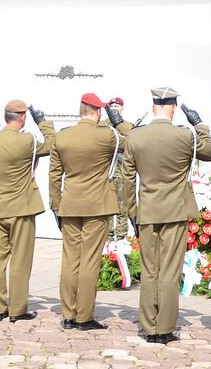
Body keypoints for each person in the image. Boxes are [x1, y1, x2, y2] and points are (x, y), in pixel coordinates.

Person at [122, 87, 211, 344]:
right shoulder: (184, 135)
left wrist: (132, 210)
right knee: (170, 271)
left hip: (148, 210)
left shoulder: (136, 136)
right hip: (174, 210)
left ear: (153, 107)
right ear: (173, 109)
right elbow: (209, 151)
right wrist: (200, 125)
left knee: (149, 270)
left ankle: (149, 325)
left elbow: (128, 178)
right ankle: (164, 328)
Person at [49, 93, 132, 330]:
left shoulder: (62, 136)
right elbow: (134, 141)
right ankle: (84, 316)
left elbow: (54, 175)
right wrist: (119, 121)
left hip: (70, 204)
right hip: (97, 205)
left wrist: (56, 204)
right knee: (89, 261)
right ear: (98, 112)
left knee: (70, 260)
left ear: (80, 110)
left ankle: (68, 314)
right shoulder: (107, 135)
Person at [0, 99, 56, 322]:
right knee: (20, 260)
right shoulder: (27, 140)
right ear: (23, 118)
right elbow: (52, 145)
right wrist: (43, 123)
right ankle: (17, 308)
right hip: (22, 207)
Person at [99, 96, 130, 240]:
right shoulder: (101, 126)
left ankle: (122, 238)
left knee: (123, 207)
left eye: (117, 107)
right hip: (106, 172)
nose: (114, 109)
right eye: (112, 107)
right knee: (107, 206)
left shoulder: (126, 126)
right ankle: (108, 237)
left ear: (122, 108)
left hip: (122, 172)